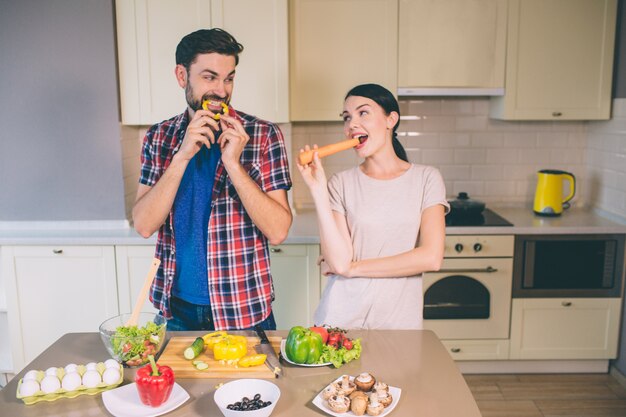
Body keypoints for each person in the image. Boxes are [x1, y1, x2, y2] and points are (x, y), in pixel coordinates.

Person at [133, 28, 293, 331]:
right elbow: (143, 224)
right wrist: (181, 157)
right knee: (172, 381)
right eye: (209, 77)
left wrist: (233, 163)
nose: (221, 90)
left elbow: (279, 230)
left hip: (243, 311)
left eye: (229, 78)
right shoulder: (159, 137)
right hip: (174, 312)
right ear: (182, 76)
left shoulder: (262, 135)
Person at [297, 84, 449, 329]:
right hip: (340, 321)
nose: (351, 125)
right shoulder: (340, 183)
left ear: (391, 119)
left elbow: (431, 257)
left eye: (363, 113)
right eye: (347, 118)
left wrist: (353, 268)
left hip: (398, 325)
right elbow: (338, 261)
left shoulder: (426, 179)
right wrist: (317, 189)